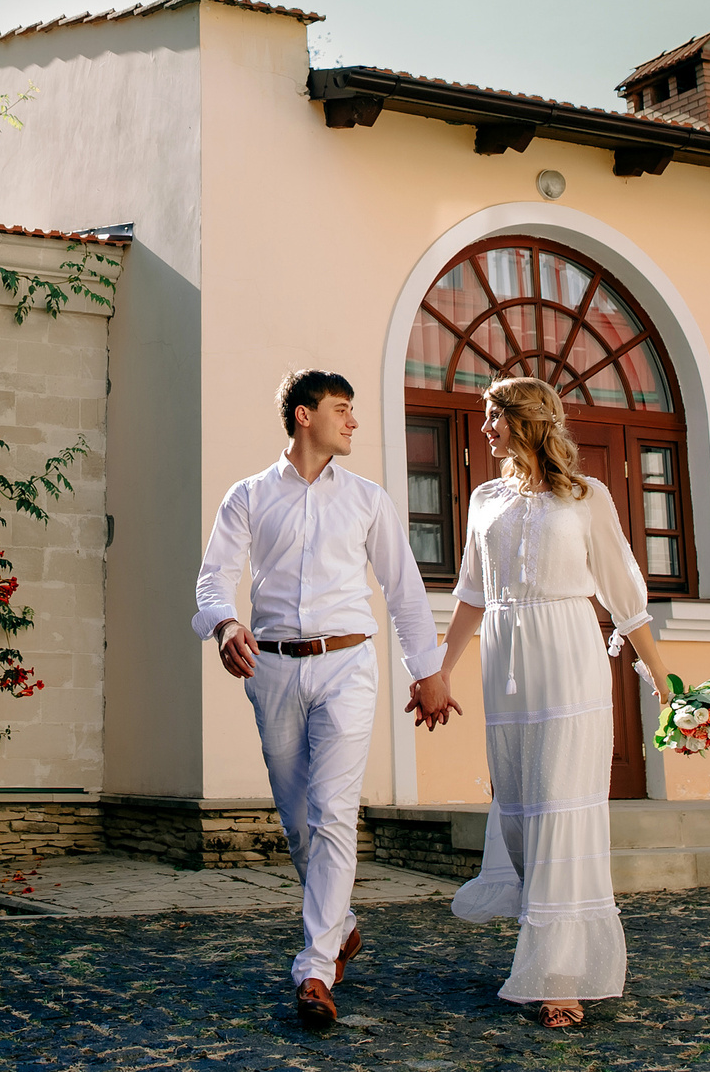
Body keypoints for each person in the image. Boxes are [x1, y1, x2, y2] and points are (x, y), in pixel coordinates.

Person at [194, 369, 461, 1031]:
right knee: (298, 822)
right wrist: (225, 624)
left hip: (348, 665)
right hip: (272, 669)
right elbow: (214, 578)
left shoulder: (369, 499)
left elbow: (403, 590)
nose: (354, 421)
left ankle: (314, 968)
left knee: (334, 812)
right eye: (342, 409)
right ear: (304, 415)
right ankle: (339, 926)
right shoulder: (249, 496)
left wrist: (428, 672)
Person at [435, 376, 675, 1028]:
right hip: (507, 666)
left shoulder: (586, 496)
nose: (485, 428)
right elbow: (472, 594)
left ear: (525, 421)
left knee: (562, 808)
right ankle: (545, 933)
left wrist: (660, 676)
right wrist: (438, 672)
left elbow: (624, 593)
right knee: (520, 811)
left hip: (570, 658)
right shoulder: (484, 498)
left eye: (493, 417)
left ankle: (559, 974)